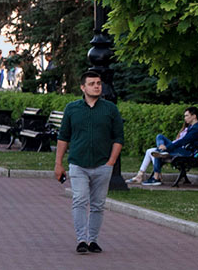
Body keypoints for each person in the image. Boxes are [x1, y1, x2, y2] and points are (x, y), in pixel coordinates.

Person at [54, 71, 124, 254]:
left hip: (102, 165)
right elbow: (63, 137)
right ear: (83, 87)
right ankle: (81, 240)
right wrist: (58, 164)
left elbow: (118, 138)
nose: (96, 86)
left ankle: (93, 240)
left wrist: (111, 162)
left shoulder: (110, 109)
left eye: (99, 83)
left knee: (98, 204)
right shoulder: (72, 108)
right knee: (79, 200)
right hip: (78, 164)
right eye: (92, 83)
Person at [129, 106, 198, 185]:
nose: (185, 118)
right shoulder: (191, 127)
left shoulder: (196, 129)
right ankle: (161, 153)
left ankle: (155, 177)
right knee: (160, 136)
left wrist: (167, 148)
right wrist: (164, 147)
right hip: (182, 149)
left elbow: (183, 141)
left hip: (188, 153)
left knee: (157, 152)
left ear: (194, 116)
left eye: (187, 116)